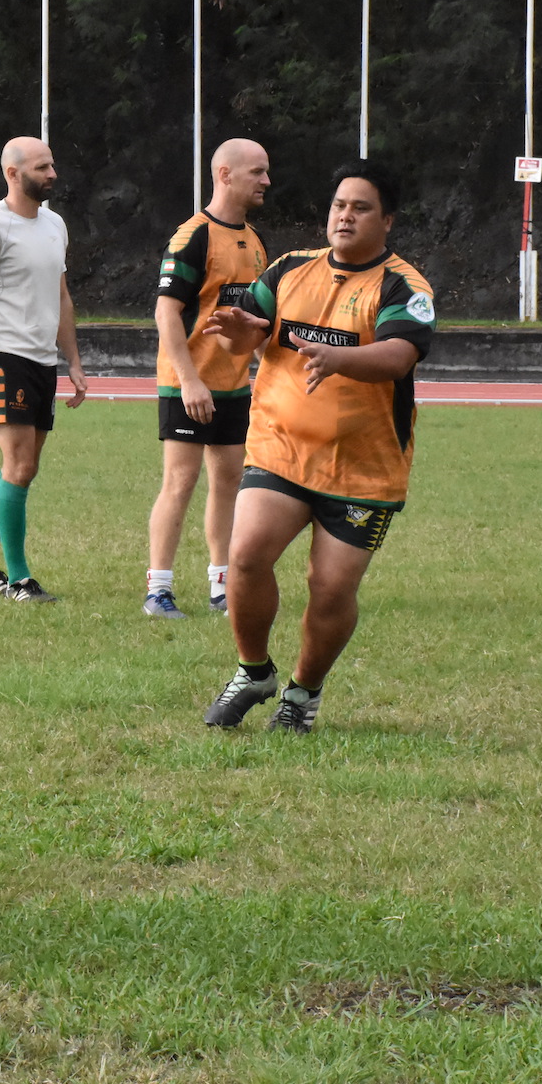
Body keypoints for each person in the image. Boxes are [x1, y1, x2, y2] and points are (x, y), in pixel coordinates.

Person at [197, 159, 434, 732]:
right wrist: (238, 332)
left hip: (363, 468)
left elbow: (400, 355)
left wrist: (339, 357)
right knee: (246, 555)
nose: (345, 217)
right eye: (338, 205)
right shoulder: (288, 269)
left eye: (361, 207)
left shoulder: (405, 286)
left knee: (329, 589)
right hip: (280, 448)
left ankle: (302, 694)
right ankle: (254, 671)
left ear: (388, 220)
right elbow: (255, 328)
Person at [0, 136, 88, 603]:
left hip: (41, 362)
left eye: (52, 164)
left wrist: (72, 360)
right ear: (13, 173)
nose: (52, 174)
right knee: (21, 464)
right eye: (42, 167)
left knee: (20, 468)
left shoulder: (54, 224)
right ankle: (19, 578)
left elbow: (62, 296)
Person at [144, 138, 271, 619]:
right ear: (225, 174)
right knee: (181, 479)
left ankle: (222, 585)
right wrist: (190, 379)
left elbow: (256, 320)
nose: (266, 181)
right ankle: (159, 590)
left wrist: (265, 364)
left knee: (230, 479)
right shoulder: (193, 236)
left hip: (234, 385)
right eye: (257, 172)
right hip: (187, 383)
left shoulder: (255, 243)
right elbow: (166, 311)